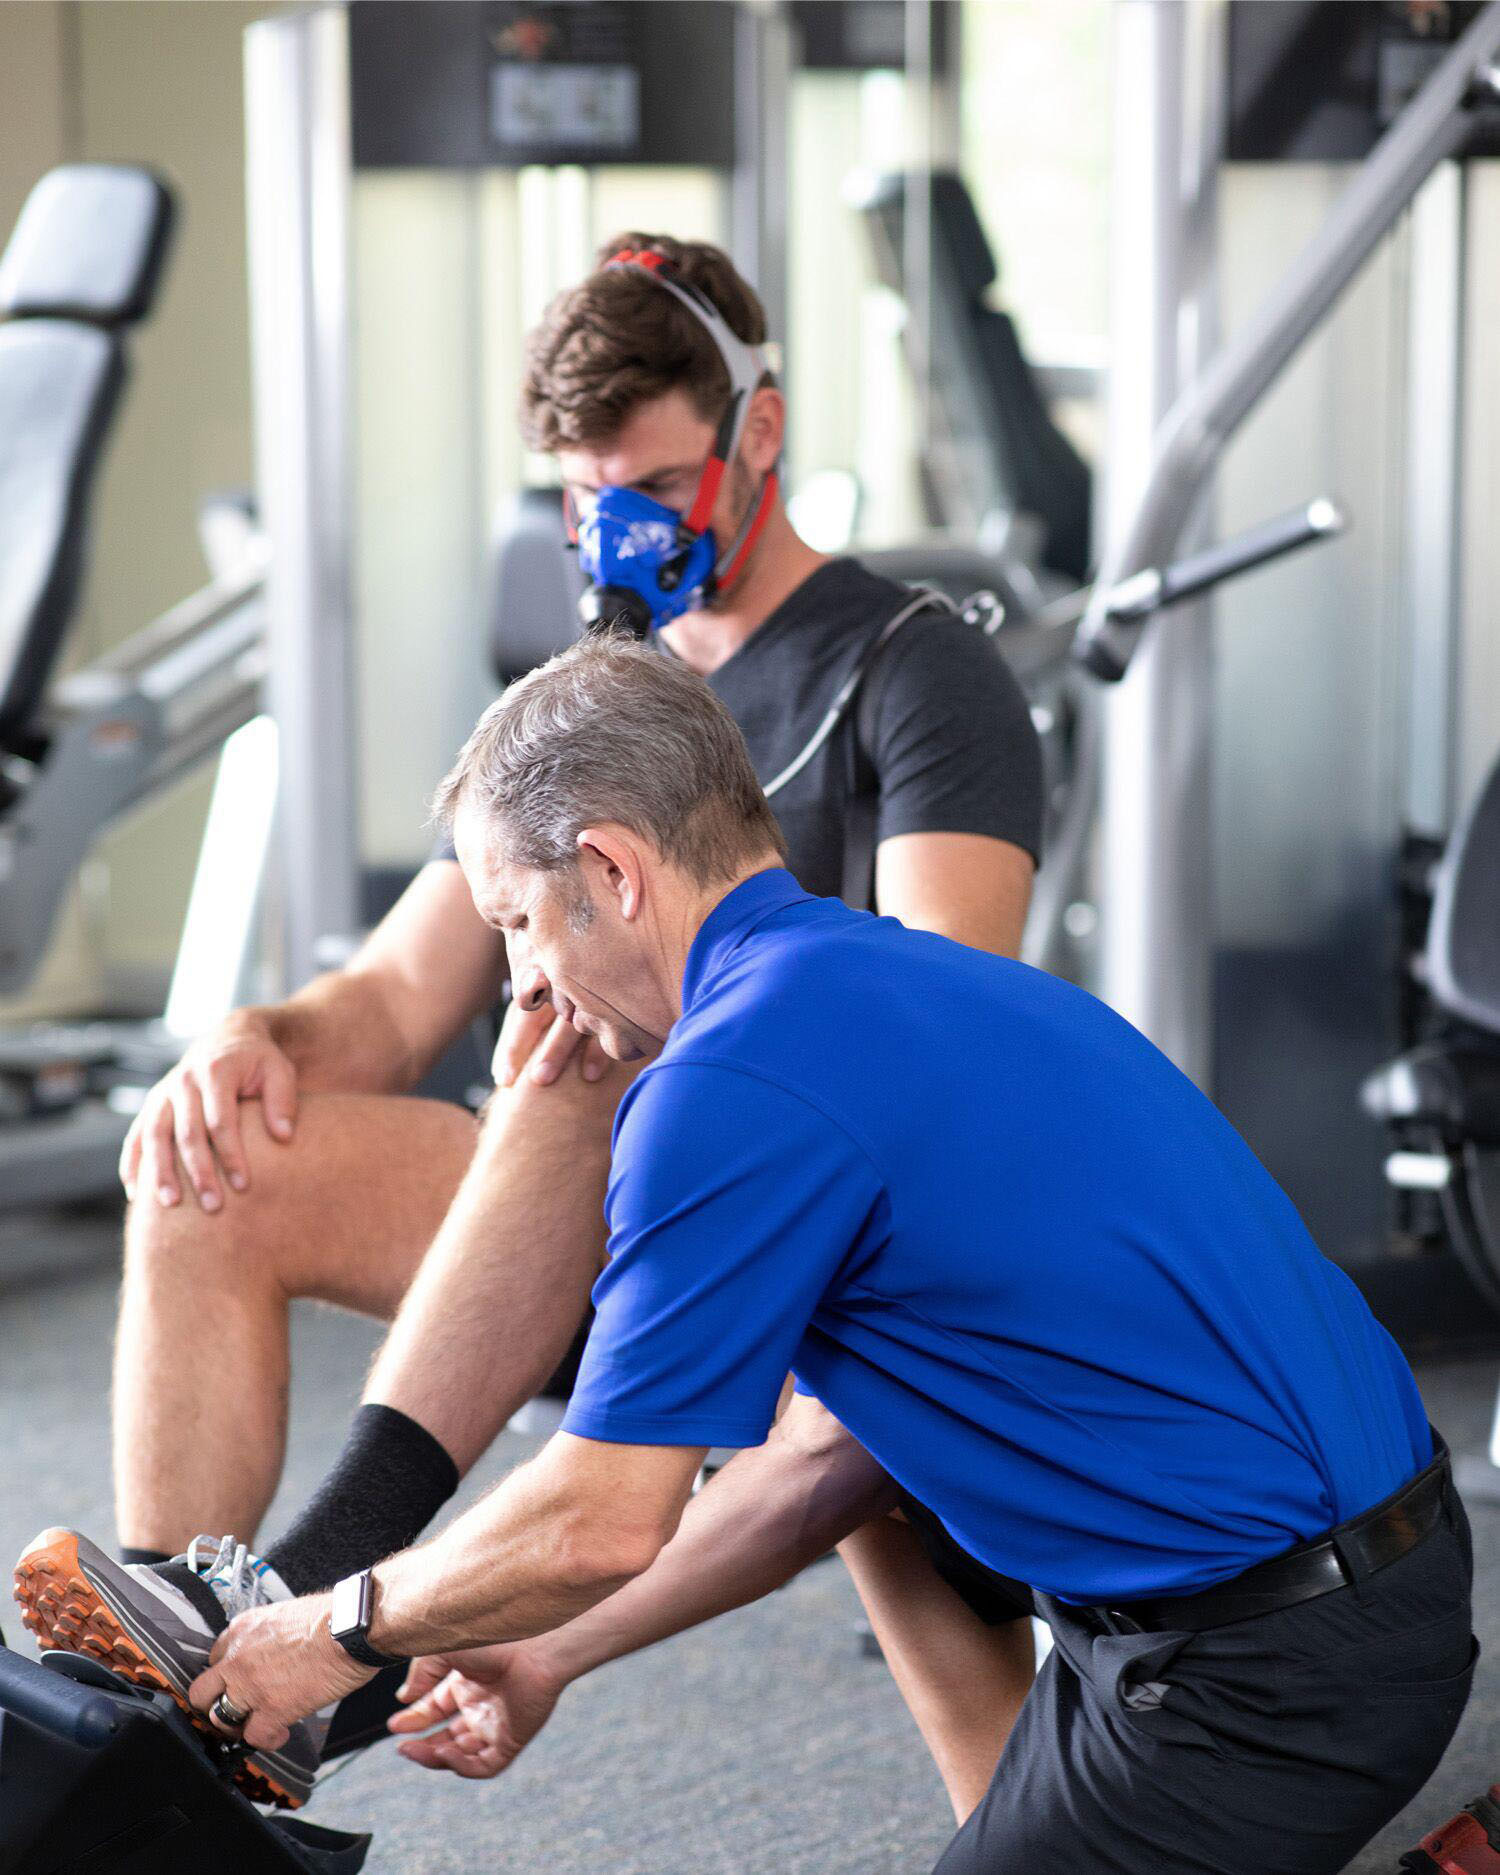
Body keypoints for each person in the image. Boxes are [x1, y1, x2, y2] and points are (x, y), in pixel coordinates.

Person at [146, 641, 1478, 1873]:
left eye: (518, 925)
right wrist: (543, 1655)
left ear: (611, 872)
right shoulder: (892, 981)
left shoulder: (731, 1087)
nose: (523, 985)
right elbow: (818, 1474)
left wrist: (331, 1630)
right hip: (1354, 1582)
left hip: (1263, 1673)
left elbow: (600, 1514)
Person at [14, 235, 1044, 1813]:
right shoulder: (589, 699)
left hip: (789, 1264)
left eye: (651, 482)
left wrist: (641, 1048)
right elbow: (391, 998)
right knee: (216, 1157)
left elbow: (934, 1035)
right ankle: (192, 1682)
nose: (616, 530)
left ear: (759, 434)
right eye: (580, 495)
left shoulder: (915, 673)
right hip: (573, 1229)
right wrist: (256, 1039)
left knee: (591, 1080)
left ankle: (287, 1631)